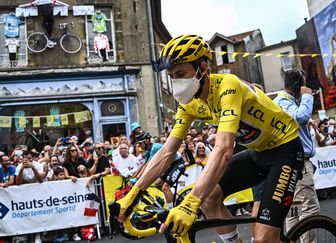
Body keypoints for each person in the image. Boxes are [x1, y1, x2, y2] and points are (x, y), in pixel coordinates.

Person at [115, 34, 304, 243]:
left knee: (263, 240)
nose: (176, 82)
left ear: (203, 68)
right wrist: (133, 195)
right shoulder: (189, 104)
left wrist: (190, 203)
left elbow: (223, 150)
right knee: (209, 197)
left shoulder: (228, 86)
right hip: (258, 153)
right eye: (172, 76)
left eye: (181, 73)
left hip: (285, 150)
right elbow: (167, 152)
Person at [272, 68, 320, 242]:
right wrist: (307, 96)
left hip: (293, 162)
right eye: (304, 86)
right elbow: (300, 117)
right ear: (298, 86)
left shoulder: (286, 102)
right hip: (298, 164)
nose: (306, 89)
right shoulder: (283, 101)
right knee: (310, 209)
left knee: (294, 210)